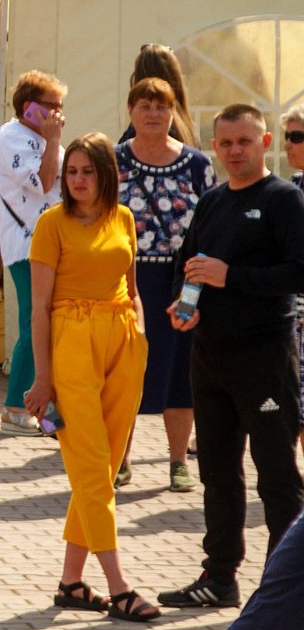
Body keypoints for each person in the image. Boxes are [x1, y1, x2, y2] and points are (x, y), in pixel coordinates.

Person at [158, 104, 304, 610]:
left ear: (265, 143)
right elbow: (188, 264)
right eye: (226, 143)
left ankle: (283, 587)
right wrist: (184, 299)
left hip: (264, 353)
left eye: (245, 141)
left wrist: (230, 277)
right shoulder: (213, 201)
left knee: (277, 475)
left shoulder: (285, 200)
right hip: (210, 354)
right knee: (218, 473)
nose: (235, 151)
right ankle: (220, 577)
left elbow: (298, 273)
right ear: (215, 147)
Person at [17, 133, 161, 621]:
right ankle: (119, 587)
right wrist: (42, 378)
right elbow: (37, 308)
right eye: (72, 172)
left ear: (106, 175)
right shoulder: (50, 224)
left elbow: (132, 284)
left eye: (88, 171)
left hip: (123, 339)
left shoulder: (122, 218)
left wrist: (138, 330)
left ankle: (72, 583)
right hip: (71, 339)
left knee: (102, 468)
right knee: (94, 466)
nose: (78, 180)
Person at [118, 76, 213, 492]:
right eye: (145, 106)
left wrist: (199, 287)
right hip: (127, 278)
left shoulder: (197, 163)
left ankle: (178, 463)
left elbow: (211, 224)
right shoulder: (113, 160)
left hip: (182, 279)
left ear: (173, 112)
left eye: (162, 106)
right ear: (131, 112)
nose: (154, 114)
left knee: (180, 373)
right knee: (125, 370)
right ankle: (119, 459)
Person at [0, 73, 68, 436]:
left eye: (60, 106)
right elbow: (46, 182)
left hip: (54, 242)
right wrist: (53, 141)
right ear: (29, 107)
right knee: (33, 324)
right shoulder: (11, 140)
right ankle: (15, 407)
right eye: (51, 105)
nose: (57, 113)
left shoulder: (42, 139)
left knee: (51, 325)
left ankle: (45, 410)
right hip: (28, 246)